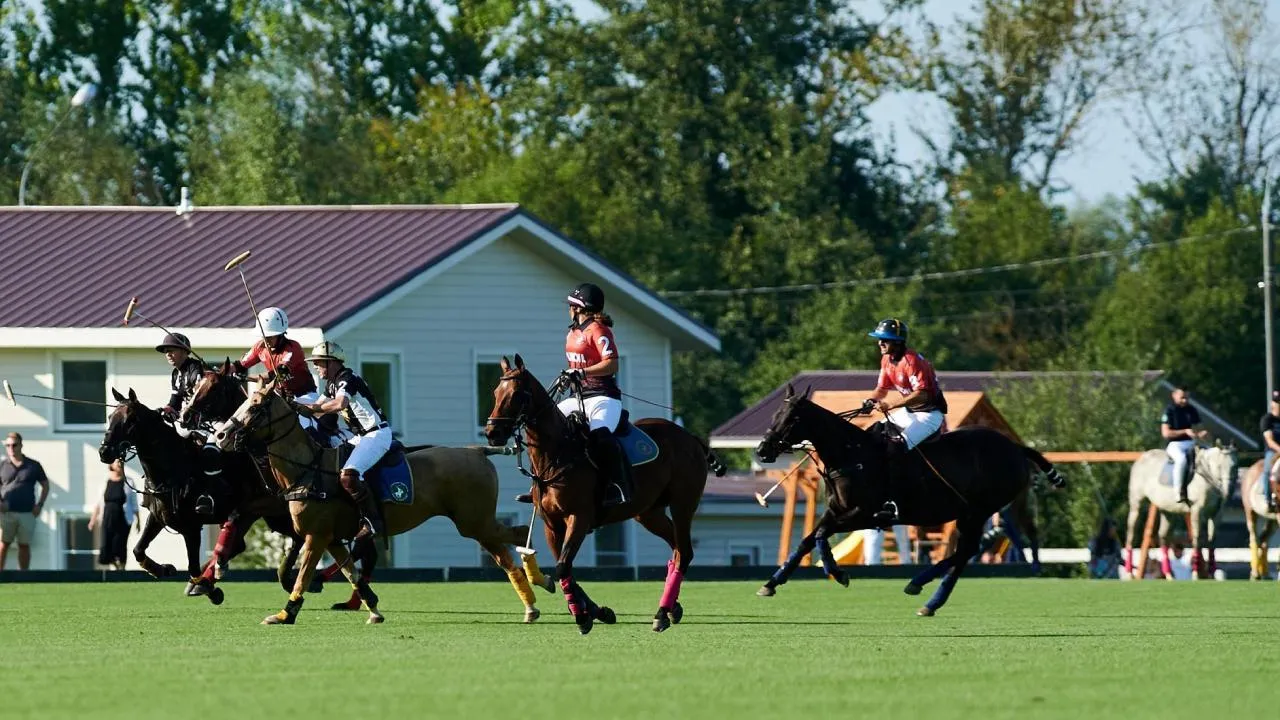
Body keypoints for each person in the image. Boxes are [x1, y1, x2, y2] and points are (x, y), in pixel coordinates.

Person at [299, 341, 393, 541]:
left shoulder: (346, 378)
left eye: (318, 362)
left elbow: (339, 404)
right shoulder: (332, 384)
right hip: (360, 437)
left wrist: (312, 409)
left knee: (348, 475)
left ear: (331, 362)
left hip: (376, 435)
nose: (315, 366)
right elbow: (316, 405)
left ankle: (372, 521)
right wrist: (290, 404)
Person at [861, 318, 948, 526]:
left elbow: (923, 395)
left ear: (898, 342)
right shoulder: (887, 360)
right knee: (873, 432)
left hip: (929, 415)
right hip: (909, 412)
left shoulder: (912, 361)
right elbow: (881, 389)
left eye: (885, 340)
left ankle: (896, 501)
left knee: (896, 448)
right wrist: (871, 400)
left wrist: (890, 405)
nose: (880, 343)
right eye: (879, 339)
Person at [559, 282, 631, 507]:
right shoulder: (572, 333)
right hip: (578, 397)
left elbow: (612, 364)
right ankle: (542, 483)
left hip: (603, 397)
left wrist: (582, 372)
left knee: (600, 435)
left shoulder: (599, 330)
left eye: (571, 305)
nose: (569, 309)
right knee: (547, 426)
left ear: (579, 308)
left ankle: (616, 485)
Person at [155, 332, 224, 516]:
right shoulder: (176, 374)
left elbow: (204, 399)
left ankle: (209, 494)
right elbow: (175, 400)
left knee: (209, 451)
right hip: (190, 422)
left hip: (213, 421)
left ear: (185, 352)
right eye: (166, 351)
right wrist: (168, 409)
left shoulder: (197, 370)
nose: (168, 354)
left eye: (172, 350)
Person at [0, 432, 50, 571]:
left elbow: (45, 485)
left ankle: (24, 575)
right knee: (3, 544)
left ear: (21, 445)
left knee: (24, 545)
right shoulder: (2, 465)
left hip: (27, 512)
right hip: (6, 513)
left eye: (14, 445)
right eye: (8, 445)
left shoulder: (33, 465)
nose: (11, 448)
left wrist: (39, 505)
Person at [1161, 385, 1207, 505]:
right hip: (1175, 445)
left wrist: (1201, 433)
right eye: (1182, 398)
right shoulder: (1169, 410)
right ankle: (1178, 491)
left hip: (1191, 443)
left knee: (1209, 454)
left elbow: (1199, 428)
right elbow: (1166, 433)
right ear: (1174, 395)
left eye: (1186, 398)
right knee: (1181, 460)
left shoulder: (1192, 409)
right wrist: (1185, 431)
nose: (1185, 401)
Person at [88, 460, 137, 570]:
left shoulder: (129, 482)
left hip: (123, 518)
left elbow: (134, 503)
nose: (119, 464)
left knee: (120, 543)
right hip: (107, 517)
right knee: (107, 544)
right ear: (111, 465)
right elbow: (99, 503)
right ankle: (115, 569)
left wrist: (138, 520)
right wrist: (92, 520)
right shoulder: (105, 482)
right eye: (117, 462)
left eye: (121, 462)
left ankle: (122, 569)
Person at [1260, 390, 1280, 512]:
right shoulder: (1267, 419)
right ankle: (1268, 499)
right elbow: (1269, 440)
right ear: (1273, 404)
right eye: (1277, 402)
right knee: (1268, 470)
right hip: (1273, 451)